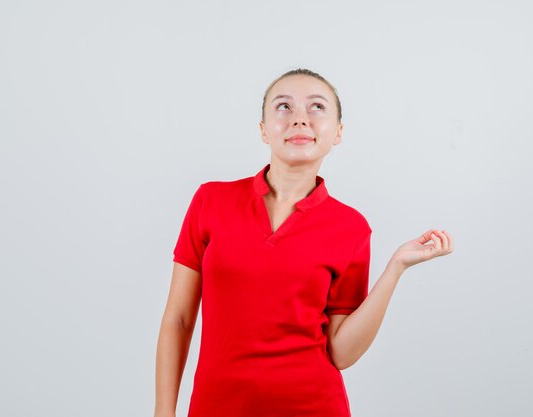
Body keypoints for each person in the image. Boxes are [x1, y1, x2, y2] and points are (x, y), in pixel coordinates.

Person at [154, 68, 454, 417]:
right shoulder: (211, 201)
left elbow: (341, 352)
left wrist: (396, 268)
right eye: (283, 107)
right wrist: (164, 413)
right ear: (263, 130)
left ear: (338, 132)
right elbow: (178, 320)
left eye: (316, 107)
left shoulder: (351, 227)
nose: (299, 119)